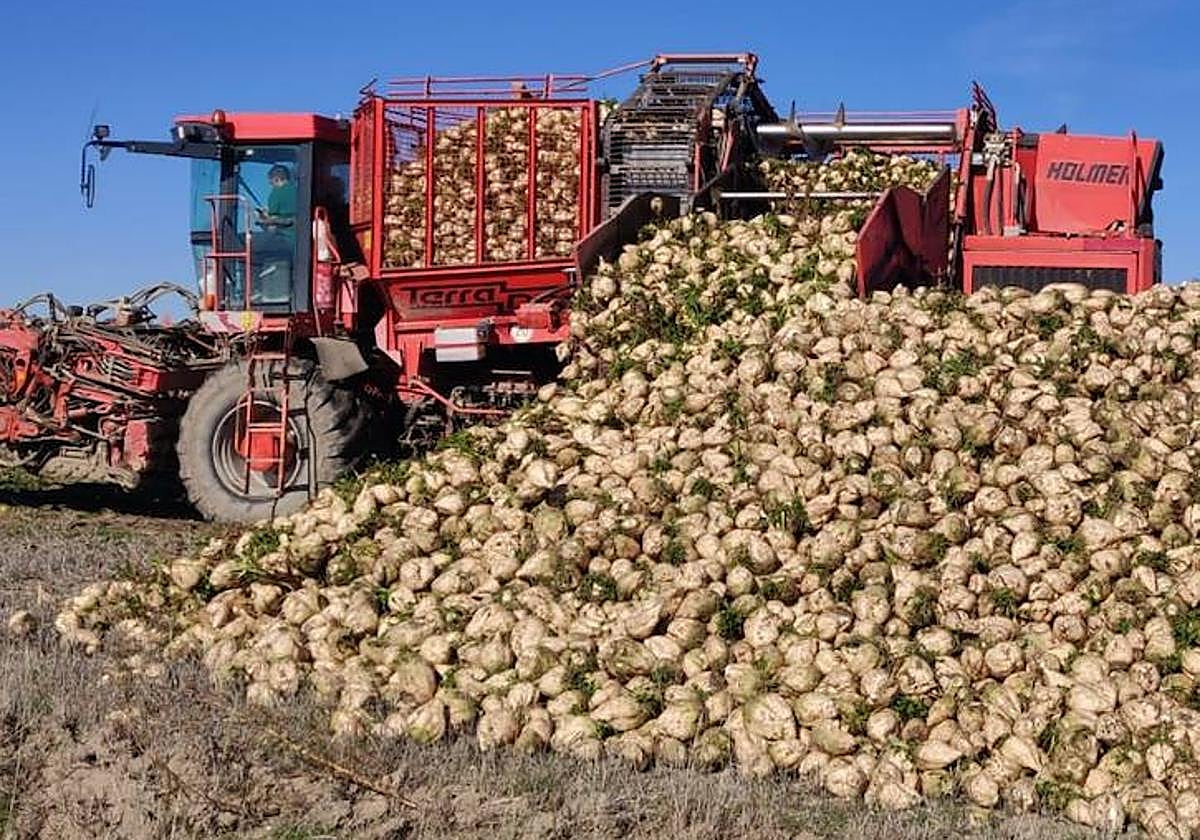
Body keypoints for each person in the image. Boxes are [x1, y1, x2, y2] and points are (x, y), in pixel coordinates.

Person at [257, 164, 296, 229]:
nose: (270, 184)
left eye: (271, 182)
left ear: (277, 179)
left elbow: (272, 222)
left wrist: (261, 216)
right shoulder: (298, 191)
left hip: (284, 233)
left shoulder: (277, 193)